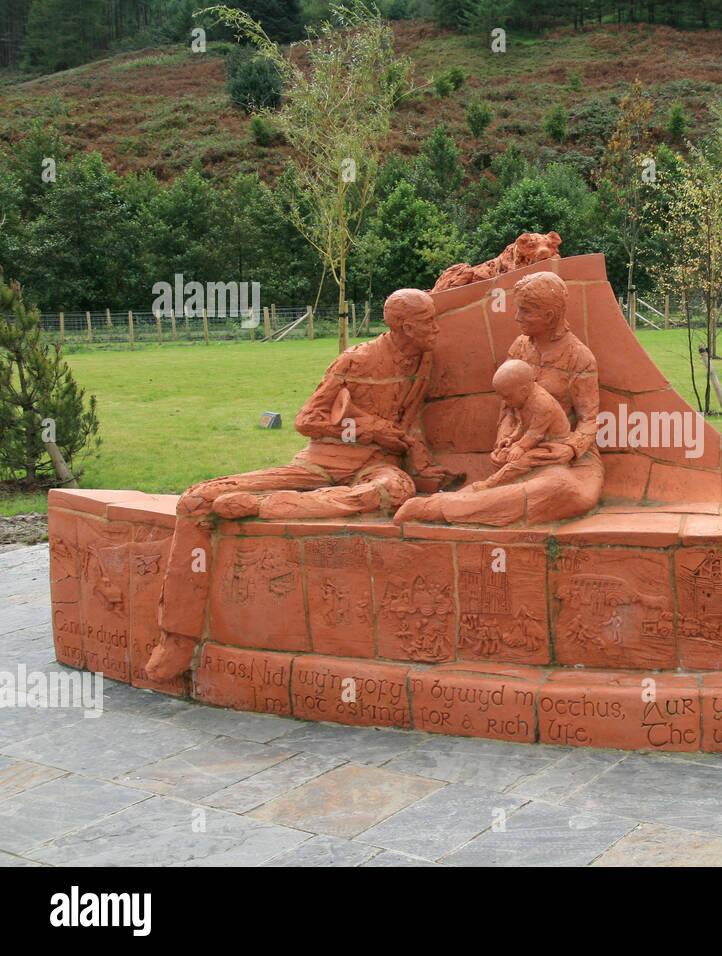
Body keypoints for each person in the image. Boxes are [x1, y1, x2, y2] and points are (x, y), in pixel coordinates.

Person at [145, 288, 453, 681]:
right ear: (405, 326)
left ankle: (265, 507)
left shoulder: (422, 360)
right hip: (323, 464)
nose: (436, 329)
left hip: (374, 469)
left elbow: (409, 422)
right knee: (197, 500)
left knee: (397, 491)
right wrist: (369, 430)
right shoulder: (357, 359)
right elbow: (307, 420)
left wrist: (422, 462)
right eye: (428, 322)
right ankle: (176, 639)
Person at [393, 270, 602, 527]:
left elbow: (589, 420)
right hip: (521, 452)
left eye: (525, 311)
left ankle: (442, 506)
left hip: (568, 459)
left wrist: (570, 449)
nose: (517, 317)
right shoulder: (520, 348)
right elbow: (507, 409)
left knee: (568, 493)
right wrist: (503, 441)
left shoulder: (579, 357)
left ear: (549, 315)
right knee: (538, 488)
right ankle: (443, 507)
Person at [472, 359, 571, 491]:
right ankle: (509, 478)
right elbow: (523, 425)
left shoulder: (543, 404)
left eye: (507, 397)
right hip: (533, 441)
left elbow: (535, 433)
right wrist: (512, 438)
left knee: (520, 461)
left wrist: (520, 447)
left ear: (523, 391)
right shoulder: (523, 400)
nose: (505, 402)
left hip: (553, 444)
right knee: (502, 455)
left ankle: (491, 483)